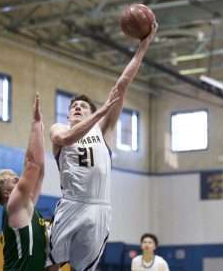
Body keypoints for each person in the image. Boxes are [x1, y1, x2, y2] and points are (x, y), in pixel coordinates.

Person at [46, 23, 158, 271]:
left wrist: (143, 47)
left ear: (93, 112)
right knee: (51, 266)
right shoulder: (59, 129)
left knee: (83, 269)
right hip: (71, 203)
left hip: (99, 207)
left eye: (83, 106)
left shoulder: (103, 130)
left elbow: (122, 85)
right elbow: (64, 141)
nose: (77, 108)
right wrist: (99, 113)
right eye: (73, 107)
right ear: (67, 116)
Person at [0, 93, 46, 271]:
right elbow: (33, 164)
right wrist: (35, 124)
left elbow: (40, 168)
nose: (17, 177)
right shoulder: (13, 204)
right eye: (11, 180)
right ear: (7, 194)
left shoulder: (25, 207)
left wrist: (40, 128)